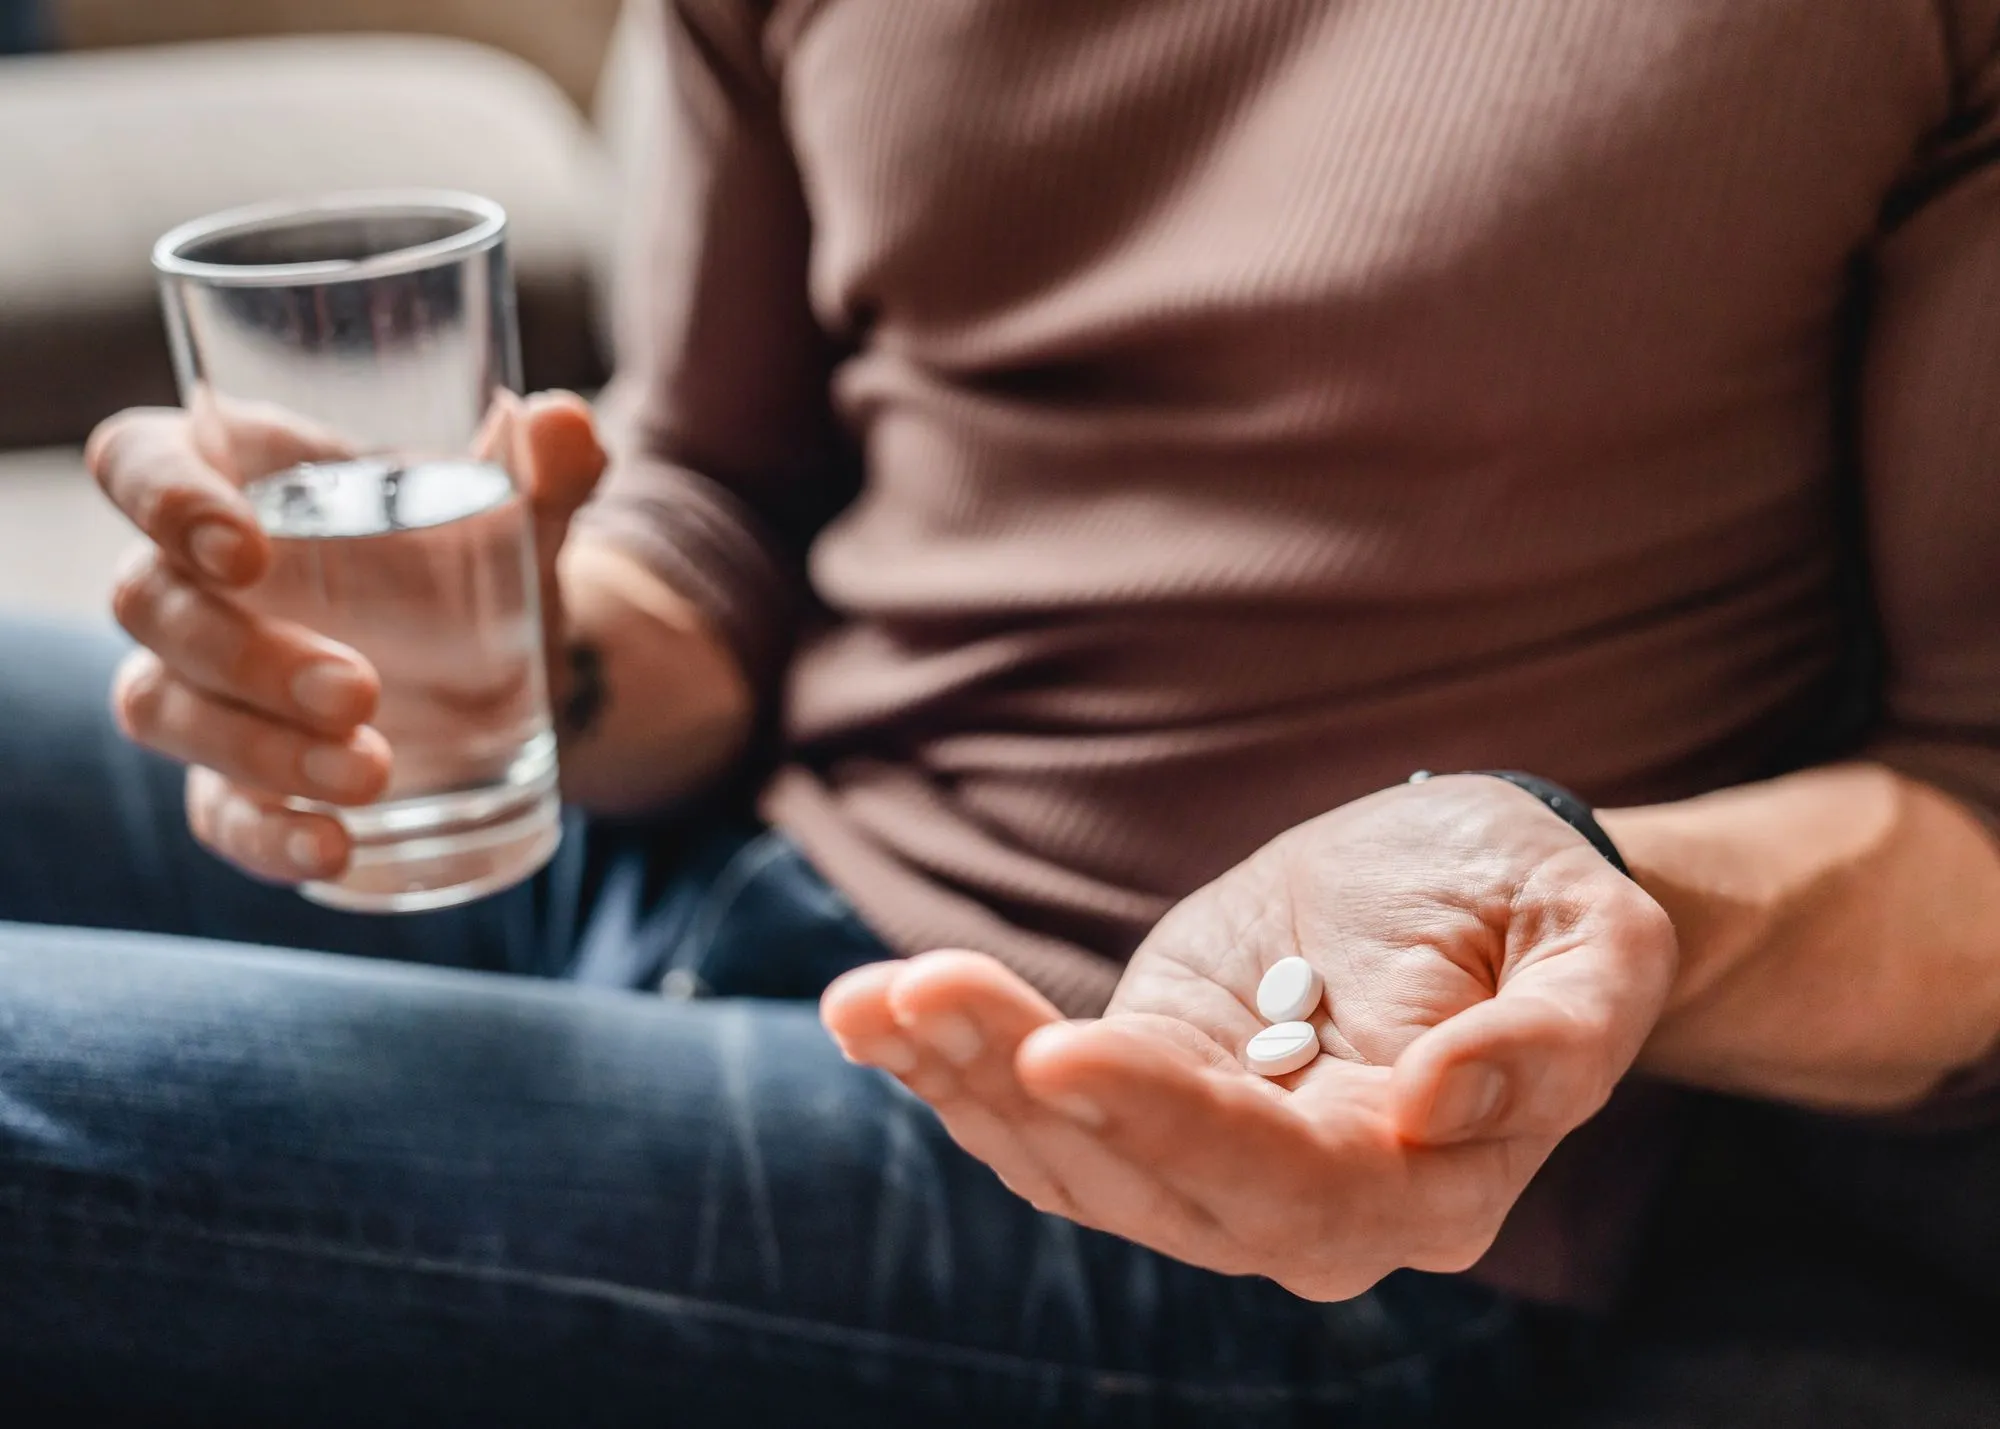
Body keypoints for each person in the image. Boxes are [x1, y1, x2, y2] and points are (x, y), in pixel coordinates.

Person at [5, 0, 2000, 1422]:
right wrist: (520, 649)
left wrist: (1575, 890)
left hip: (1246, 1173)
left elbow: (1971, 812)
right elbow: (722, 515)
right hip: (706, 861)